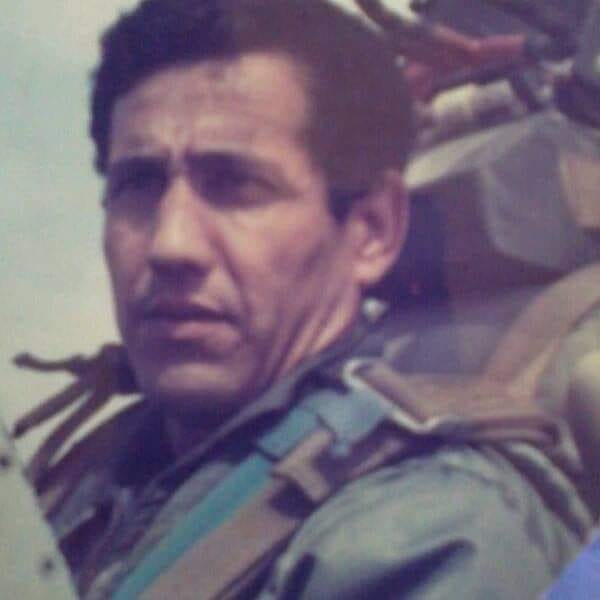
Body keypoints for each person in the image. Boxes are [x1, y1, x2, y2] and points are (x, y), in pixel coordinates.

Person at [27, 0, 592, 598]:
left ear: (372, 230)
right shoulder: (96, 470)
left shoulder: (421, 531)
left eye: (235, 184)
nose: (171, 244)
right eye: (138, 184)